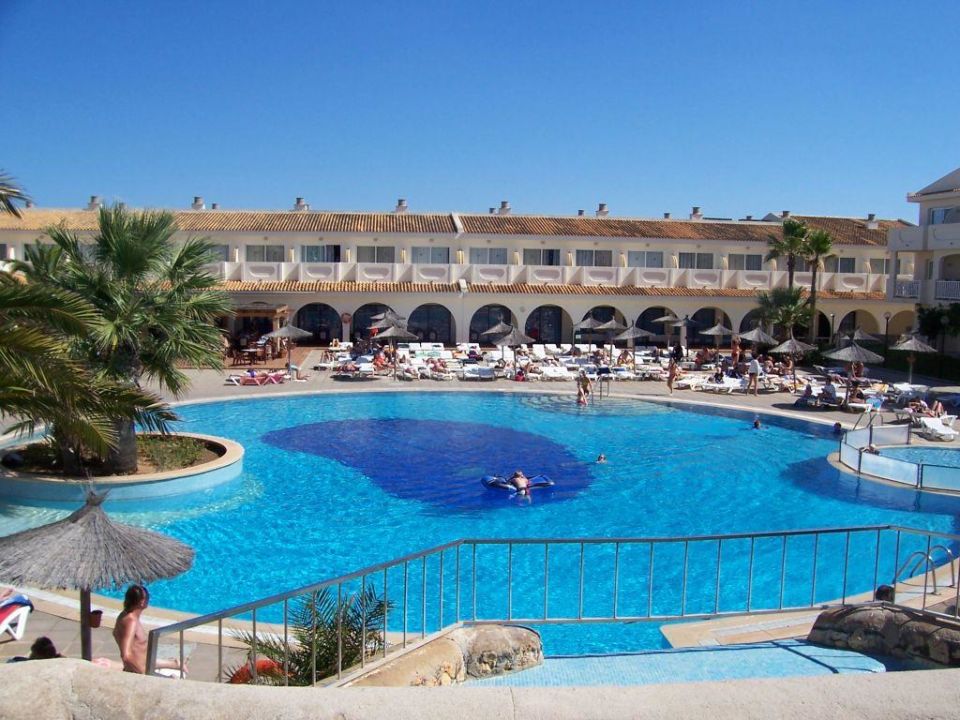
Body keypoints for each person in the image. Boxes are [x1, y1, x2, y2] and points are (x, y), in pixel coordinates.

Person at [114, 585, 185, 676]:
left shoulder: (123, 615)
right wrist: (143, 674)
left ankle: (175, 664)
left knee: (178, 672)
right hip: (138, 672)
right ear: (142, 602)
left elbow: (116, 634)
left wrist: (174, 664)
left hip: (142, 668)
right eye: (147, 597)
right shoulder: (131, 622)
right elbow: (126, 656)